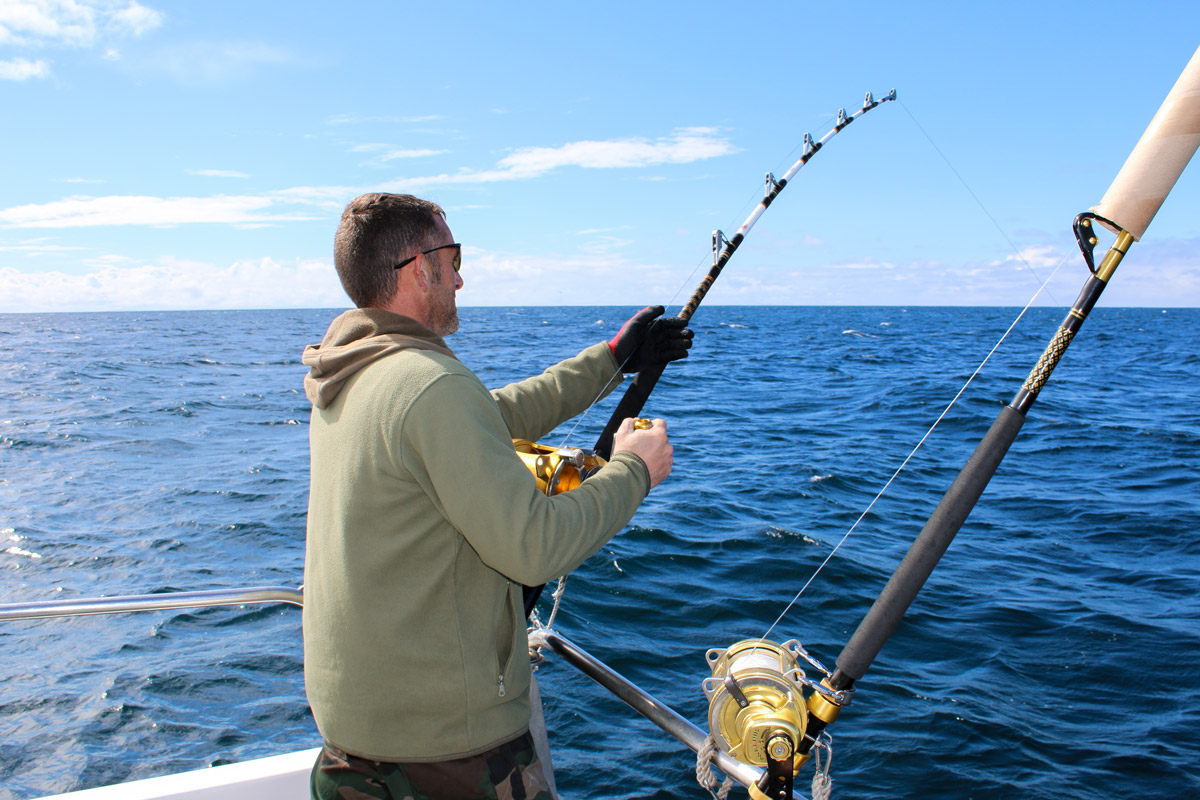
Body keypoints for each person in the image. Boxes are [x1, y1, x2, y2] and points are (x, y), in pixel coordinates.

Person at [301, 193, 692, 800]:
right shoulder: (430, 385)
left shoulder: (357, 374)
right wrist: (633, 471)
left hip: (356, 739)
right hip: (444, 754)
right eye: (452, 256)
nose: (461, 275)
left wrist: (613, 359)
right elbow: (533, 547)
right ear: (418, 268)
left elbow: (491, 415)